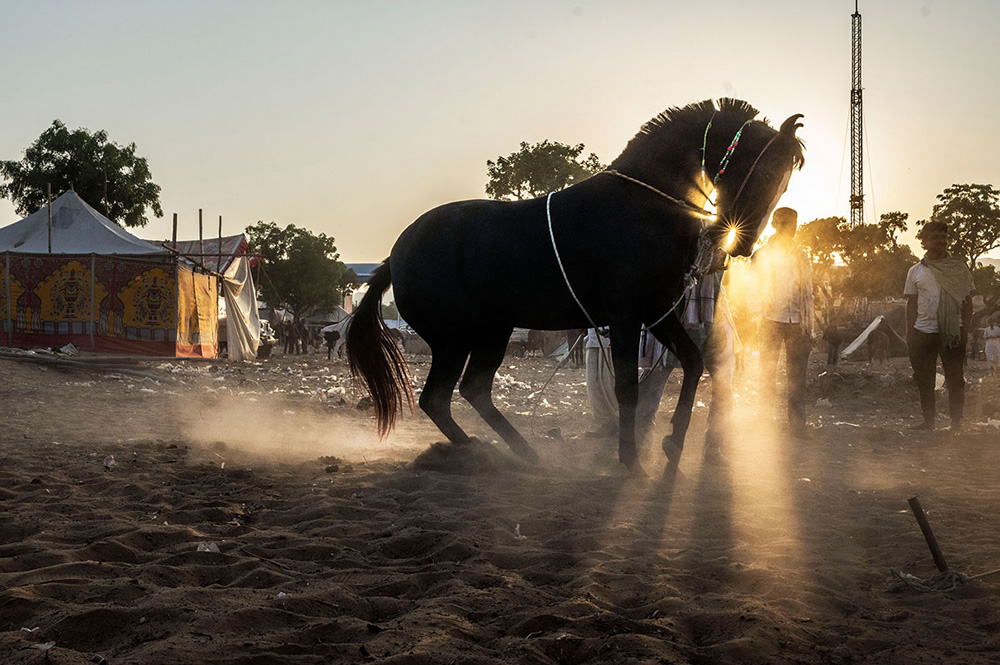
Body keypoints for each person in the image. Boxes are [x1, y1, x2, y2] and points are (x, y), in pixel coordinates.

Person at [585, 252, 738, 462]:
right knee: (651, 386)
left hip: (713, 316)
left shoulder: (719, 237)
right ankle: (638, 447)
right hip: (674, 317)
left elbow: (728, 264)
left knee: (723, 387)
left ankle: (714, 448)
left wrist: (722, 260)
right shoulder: (676, 231)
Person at [903, 221, 975, 430]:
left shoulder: (959, 268)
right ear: (924, 242)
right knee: (924, 379)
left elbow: (968, 302)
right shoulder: (915, 271)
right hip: (923, 332)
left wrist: (964, 330)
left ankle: (956, 423)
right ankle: (928, 422)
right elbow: (912, 303)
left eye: (943, 237)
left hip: (953, 332)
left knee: (955, 379)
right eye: (935, 237)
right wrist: (910, 333)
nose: (941, 241)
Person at [751, 207, 814, 437]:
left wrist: (810, 328)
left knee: (797, 377)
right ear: (775, 224)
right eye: (787, 222)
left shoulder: (802, 256)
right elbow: (752, 288)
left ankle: (797, 426)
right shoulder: (761, 255)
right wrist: (758, 311)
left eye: (795, 222)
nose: (793, 227)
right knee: (767, 374)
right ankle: (764, 424)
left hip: (798, 322)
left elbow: (808, 293)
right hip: (770, 320)